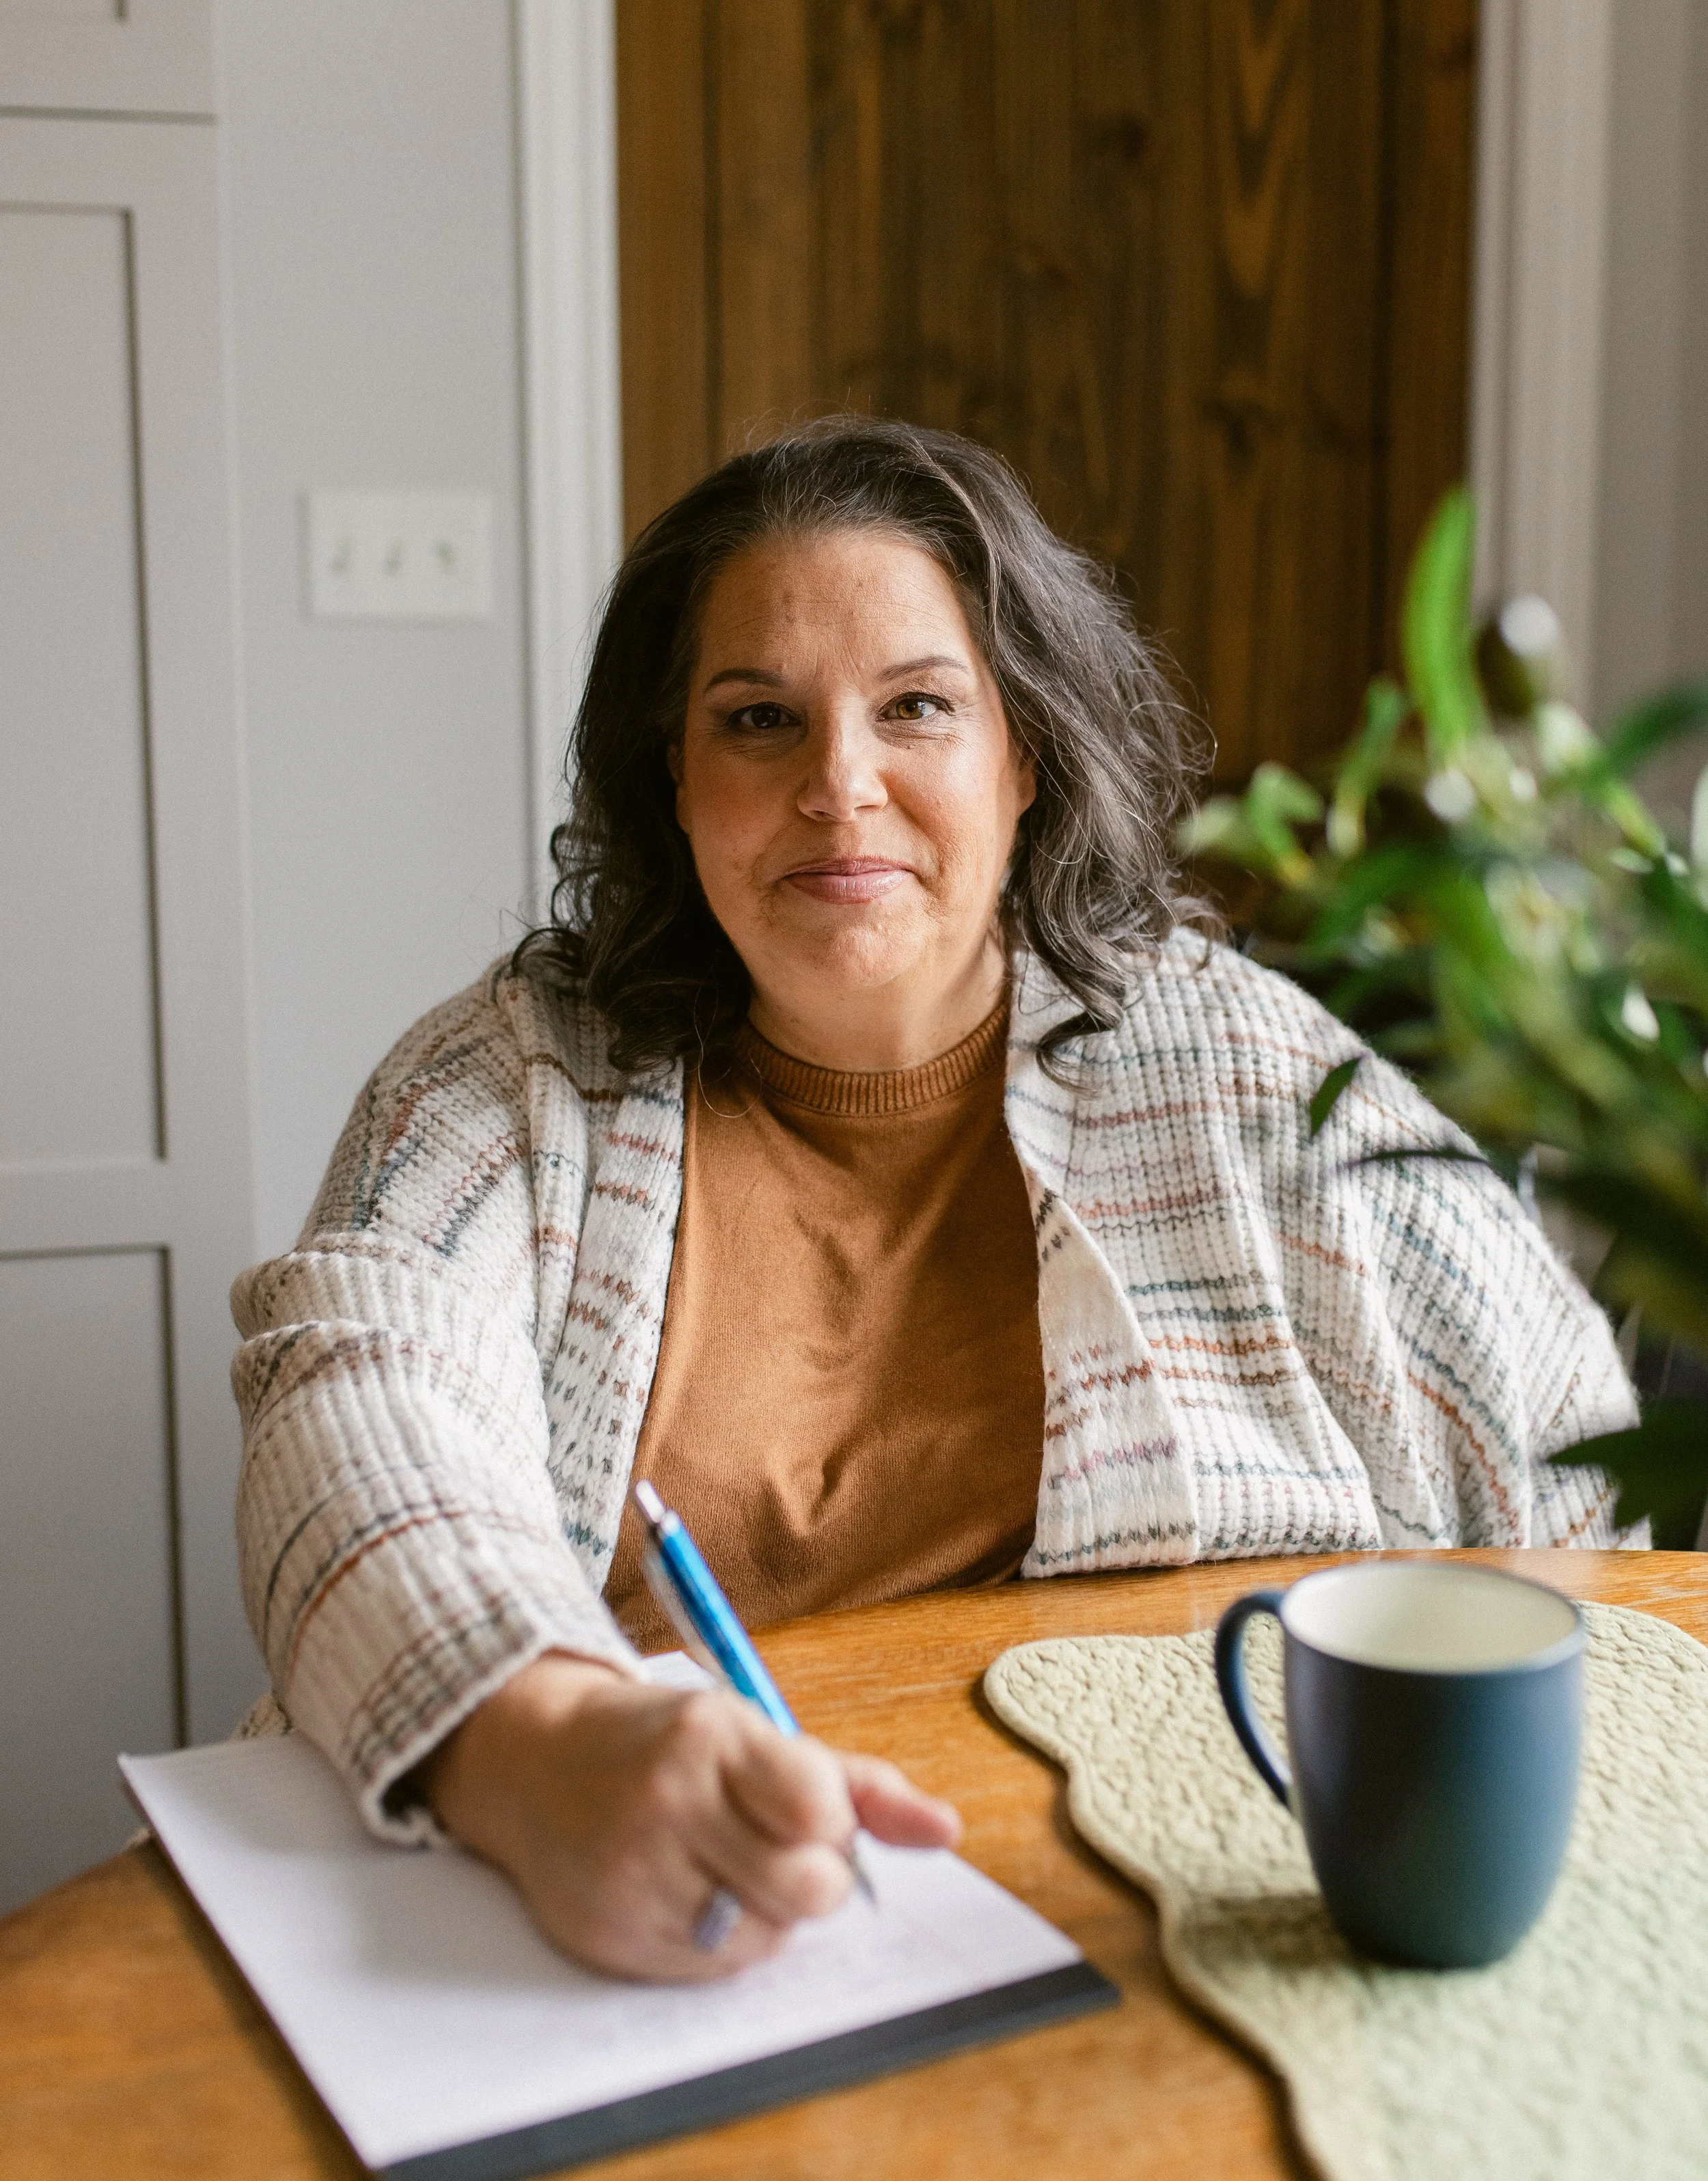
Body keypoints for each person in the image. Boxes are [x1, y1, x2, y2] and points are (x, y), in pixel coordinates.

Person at [232, 417, 1633, 1984]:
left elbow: (1576, 1487)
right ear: (671, 777)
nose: (841, 786)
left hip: (1176, 1930)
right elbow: (348, 1405)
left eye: (916, 708)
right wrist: (536, 1735)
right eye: (758, 719)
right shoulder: (506, 1085)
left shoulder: (1246, 1066)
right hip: (636, 1924)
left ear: (1021, 758)